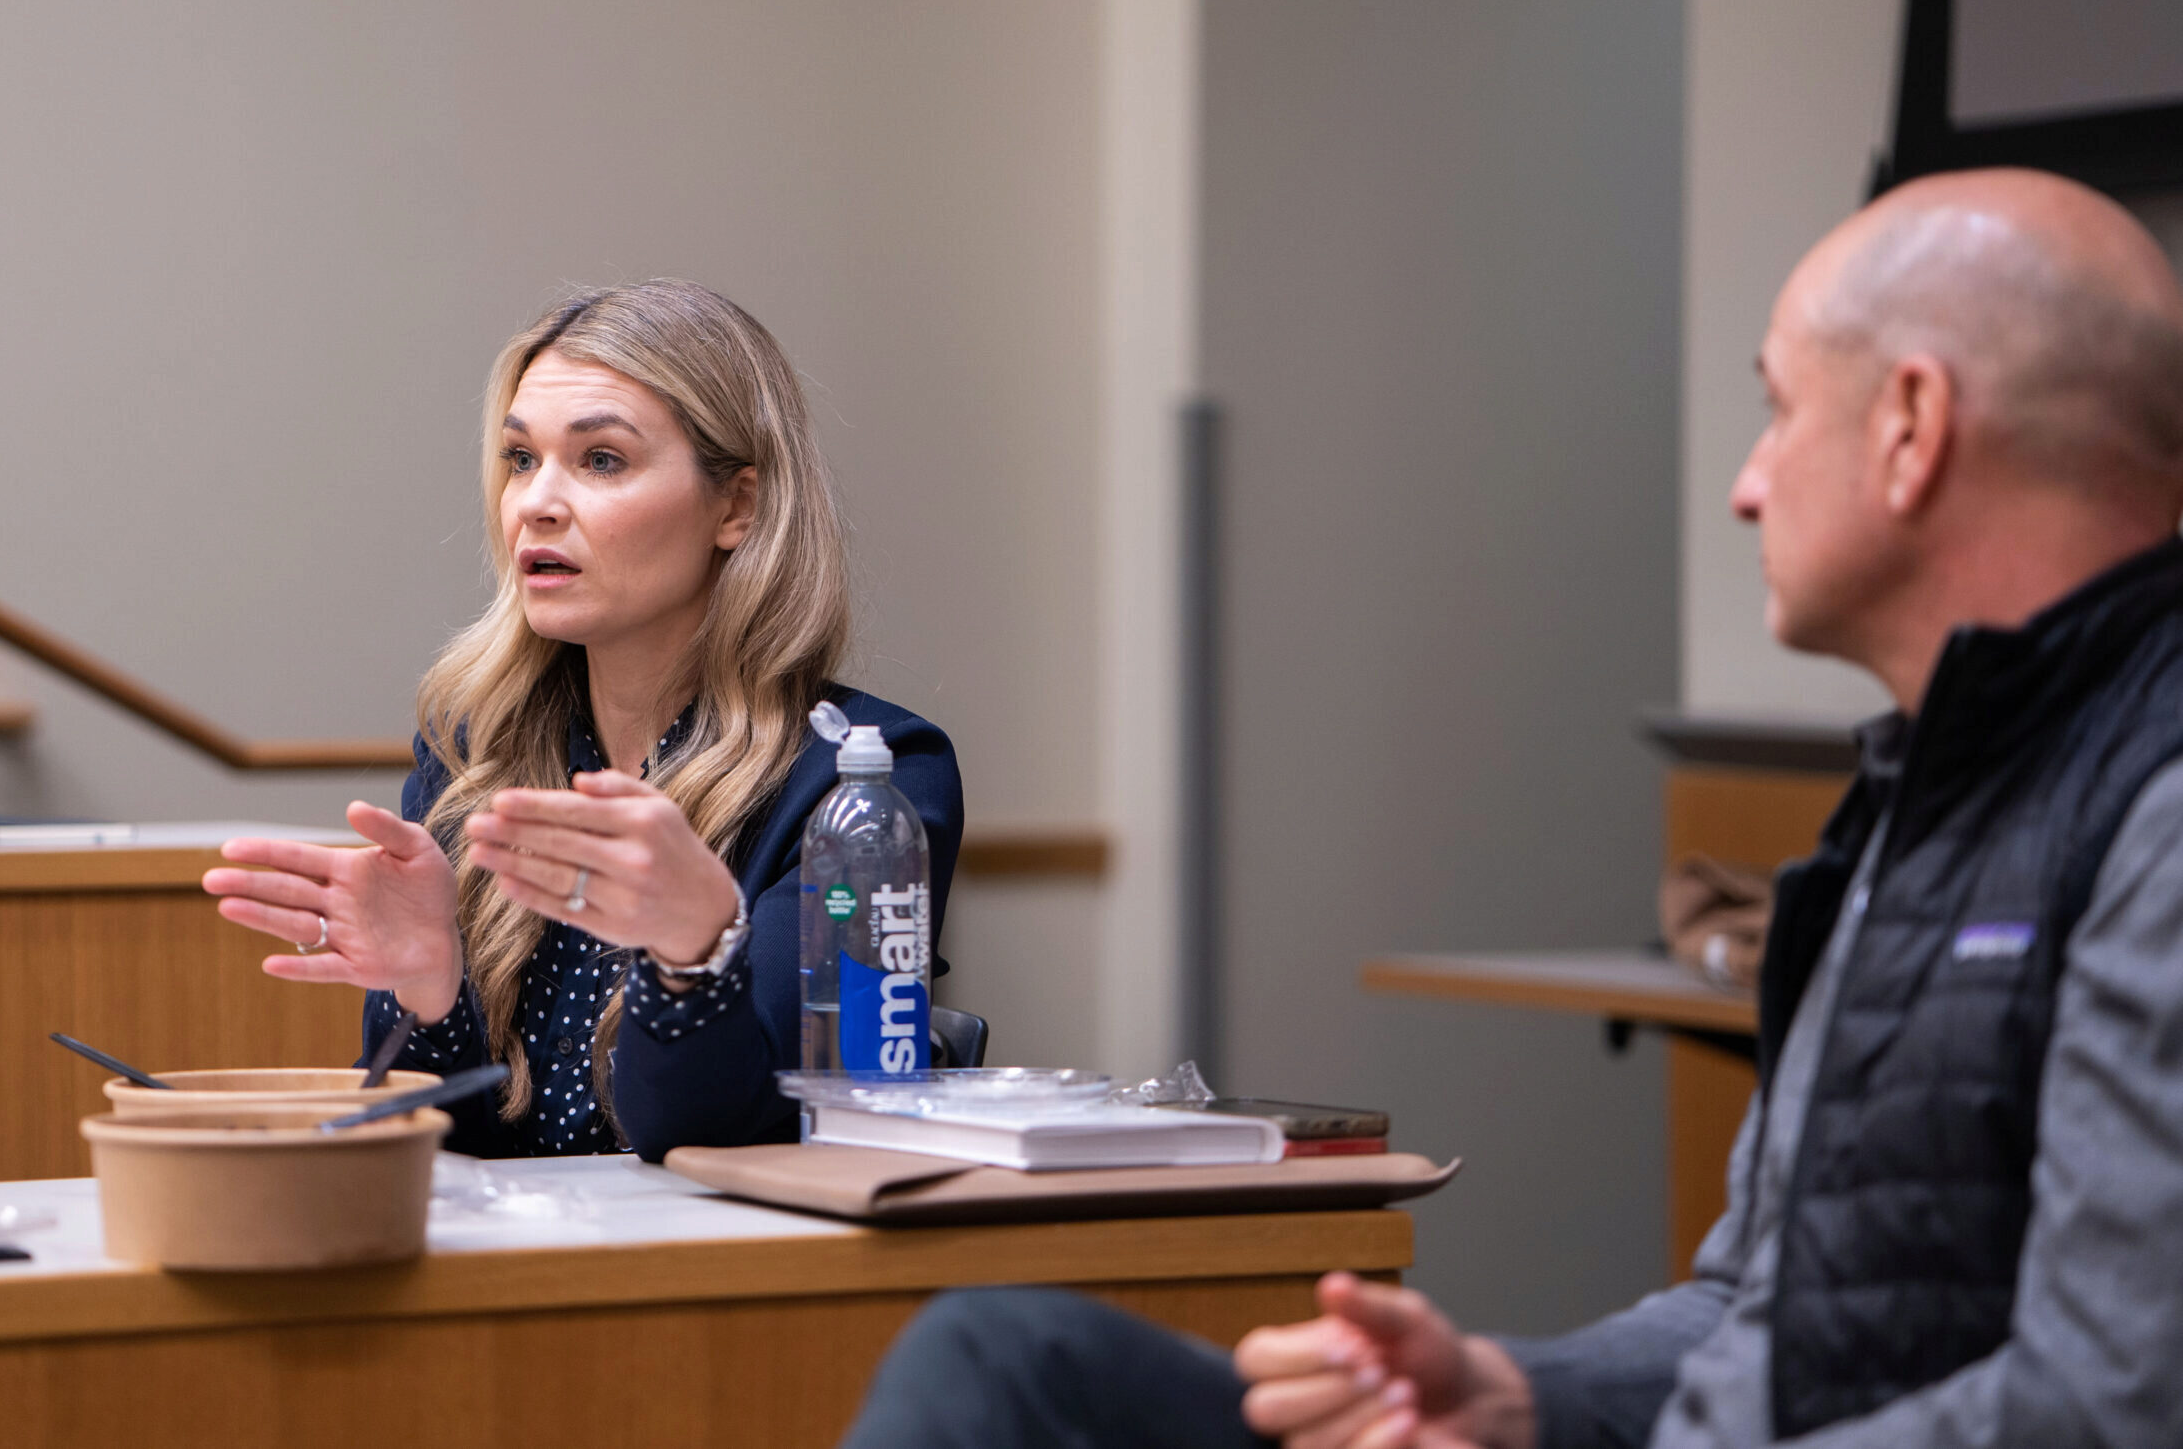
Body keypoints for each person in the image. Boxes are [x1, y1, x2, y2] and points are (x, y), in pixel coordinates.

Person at [840, 167, 2183, 1448]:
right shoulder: (1922, 806)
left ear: (1910, 427)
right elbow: (1746, 1313)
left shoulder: (2153, 812)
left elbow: (2110, 1408)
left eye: (1778, 412)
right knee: (1006, 1362)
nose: (1747, 484)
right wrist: (1515, 1394)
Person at [203, 279, 962, 1161]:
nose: (536, 502)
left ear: (737, 507)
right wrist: (430, 993)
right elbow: (446, 1152)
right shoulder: (474, 753)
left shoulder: (866, 781)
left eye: (601, 459)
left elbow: (716, 1137)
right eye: (521, 458)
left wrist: (693, 953)